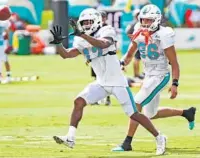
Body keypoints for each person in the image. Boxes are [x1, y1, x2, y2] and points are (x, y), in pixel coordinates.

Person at [50, 8, 166, 155]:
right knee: (78, 101)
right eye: (84, 22)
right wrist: (58, 44)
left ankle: (159, 136)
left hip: (117, 83)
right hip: (101, 83)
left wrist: (83, 36)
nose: (86, 25)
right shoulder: (81, 38)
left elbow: (103, 44)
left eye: (89, 22)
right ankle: (70, 138)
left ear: (97, 21)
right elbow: (66, 55)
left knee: (134, 114)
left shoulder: (107, 30)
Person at [112, 4, 196, 152]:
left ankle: (128, 142)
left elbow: (174, 63)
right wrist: (122, 62)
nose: (145, 23)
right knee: (151, 114)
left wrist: (175, 83)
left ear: (156, 20)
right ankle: (186, 113)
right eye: (143, 20)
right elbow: (131, 52)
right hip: (149, 75)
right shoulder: (139, 30)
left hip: (161, 75)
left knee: (135, 104)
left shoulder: (164, 34)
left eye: (149, 20)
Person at [125, 9, 144, 81]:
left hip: (140, 43)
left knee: (138, 59)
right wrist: (134, 39)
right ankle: (136, 74)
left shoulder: (135, 23)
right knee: (136, 59)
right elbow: (128, 32)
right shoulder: (135, 24)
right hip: (138, 43)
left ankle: (137, 74)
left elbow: (127, 32)